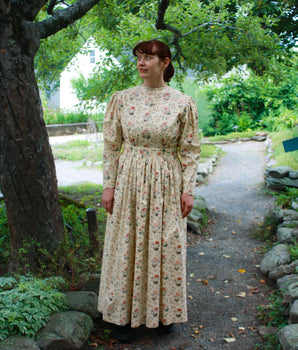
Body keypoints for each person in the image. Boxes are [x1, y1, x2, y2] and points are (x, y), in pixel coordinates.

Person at [98, 39, 201, 341]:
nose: (141, 63)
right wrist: (109, 185)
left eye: (148, 58)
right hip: (129, 178)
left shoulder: (182, 102)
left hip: (167, 182)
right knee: (125, 245)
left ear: (165, 63)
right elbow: (111, 146)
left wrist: (188, 189)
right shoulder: (122, 99)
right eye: (138, 58)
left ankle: (163, 313)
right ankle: (122, 317)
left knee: (165, 245)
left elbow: (191, 149)